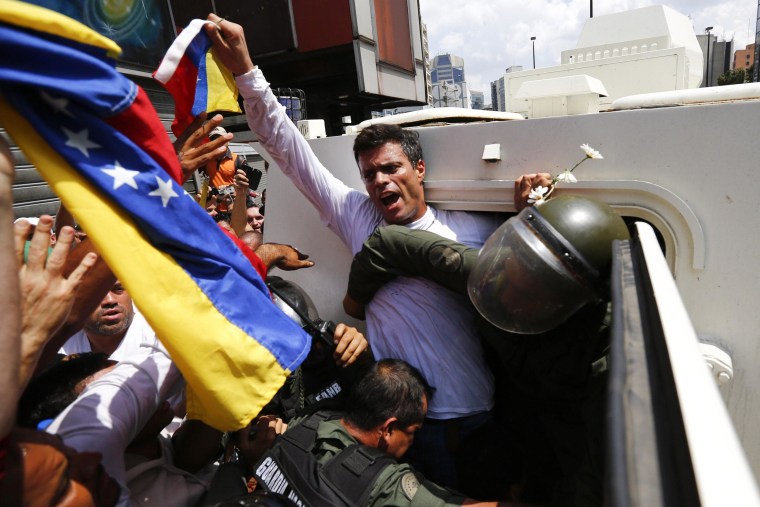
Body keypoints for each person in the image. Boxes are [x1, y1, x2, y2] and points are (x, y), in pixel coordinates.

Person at [204, 14, 504, 489]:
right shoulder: (358, 216)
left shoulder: (470, 226)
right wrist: (245, 70)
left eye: (391, 168)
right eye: (369, 174)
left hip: (479, 414)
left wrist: (535, 196)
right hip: (403, 428)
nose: (380, 181)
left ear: (418, 168)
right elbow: (287, 148)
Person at [344, 195, 631, 506]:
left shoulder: (605, 353)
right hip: (510, 408)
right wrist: (353, 304)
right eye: (512, 270)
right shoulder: (493, 277)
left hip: (563, 425)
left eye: (527, 293)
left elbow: (597, 461)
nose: (507, 296)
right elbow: (387, 243)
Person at [250, 358, 508, 507]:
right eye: (414, 431)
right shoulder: (379, 482)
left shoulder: (304, 425)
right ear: (387, 429)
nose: (414, 441)